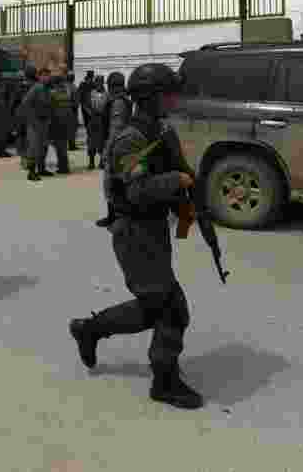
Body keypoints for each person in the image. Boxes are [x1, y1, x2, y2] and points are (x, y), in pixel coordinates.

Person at [68, 62, 204, 410]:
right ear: (149, 98)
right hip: (135, 231)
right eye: (167, 95)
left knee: (153, 306)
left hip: (152, 228)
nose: (173, 101)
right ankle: (164, 381)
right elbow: (138, 192)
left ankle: (90, 330)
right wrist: (177, 182)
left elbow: (177, 171)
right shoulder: (132, 138)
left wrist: (190, 197)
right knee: (171, 309)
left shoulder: (158, 130)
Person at [95, 71, 131, 228]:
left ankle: (114, 217)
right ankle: (116, 215)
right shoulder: (122, 100)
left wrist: (106, 151)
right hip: (121, 145)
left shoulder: (118, 102)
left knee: (111, 183)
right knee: (117, 182)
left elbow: (115, 129)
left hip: (116, 147)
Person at [20, 66, 53, 181]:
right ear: (40, 76)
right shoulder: (36, 88)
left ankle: (42, 169)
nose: (47, 78)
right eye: (45, 75)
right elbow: (25, 103)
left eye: (48, 75)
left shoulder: (45, 88)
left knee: (43, 147)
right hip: (35, 123)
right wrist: (32, 118)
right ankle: (31, 172)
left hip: (44, 122)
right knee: (34, 148)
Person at [47, 73, 73, 174]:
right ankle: (63, 165)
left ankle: (63, 167)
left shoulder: (52, 93)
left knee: (59, 146)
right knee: (63, 145)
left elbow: (50, 109)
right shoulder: (66, 92)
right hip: (66, 122)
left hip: (57, 122)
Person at [86, 75, 107, 171]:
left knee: (102, 142)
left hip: (102, 120)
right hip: (93, 120)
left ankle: (102, 162)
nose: (99, 84)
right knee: (91, 142)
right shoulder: (91, 93)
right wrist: (90, 113)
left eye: (100, 82)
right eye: (97, 82)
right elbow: (86, 105)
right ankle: (91, 162)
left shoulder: (107, 94)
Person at [77, 70, 96, 142]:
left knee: (90, 122)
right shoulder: (84, 85)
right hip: (85, 106)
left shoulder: (93, 85)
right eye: (90, 78)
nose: (91, 79)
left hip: (89, 106)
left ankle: (90, 136)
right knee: (87, 122)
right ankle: (90, 136)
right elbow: (79, 95)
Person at [67, 71, 80, 151]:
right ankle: (72, 145)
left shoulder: (65, 86)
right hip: (72, 111)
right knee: (72, 129)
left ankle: (71, 144)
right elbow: (75, 101)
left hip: (66, 110)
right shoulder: (73, 87)